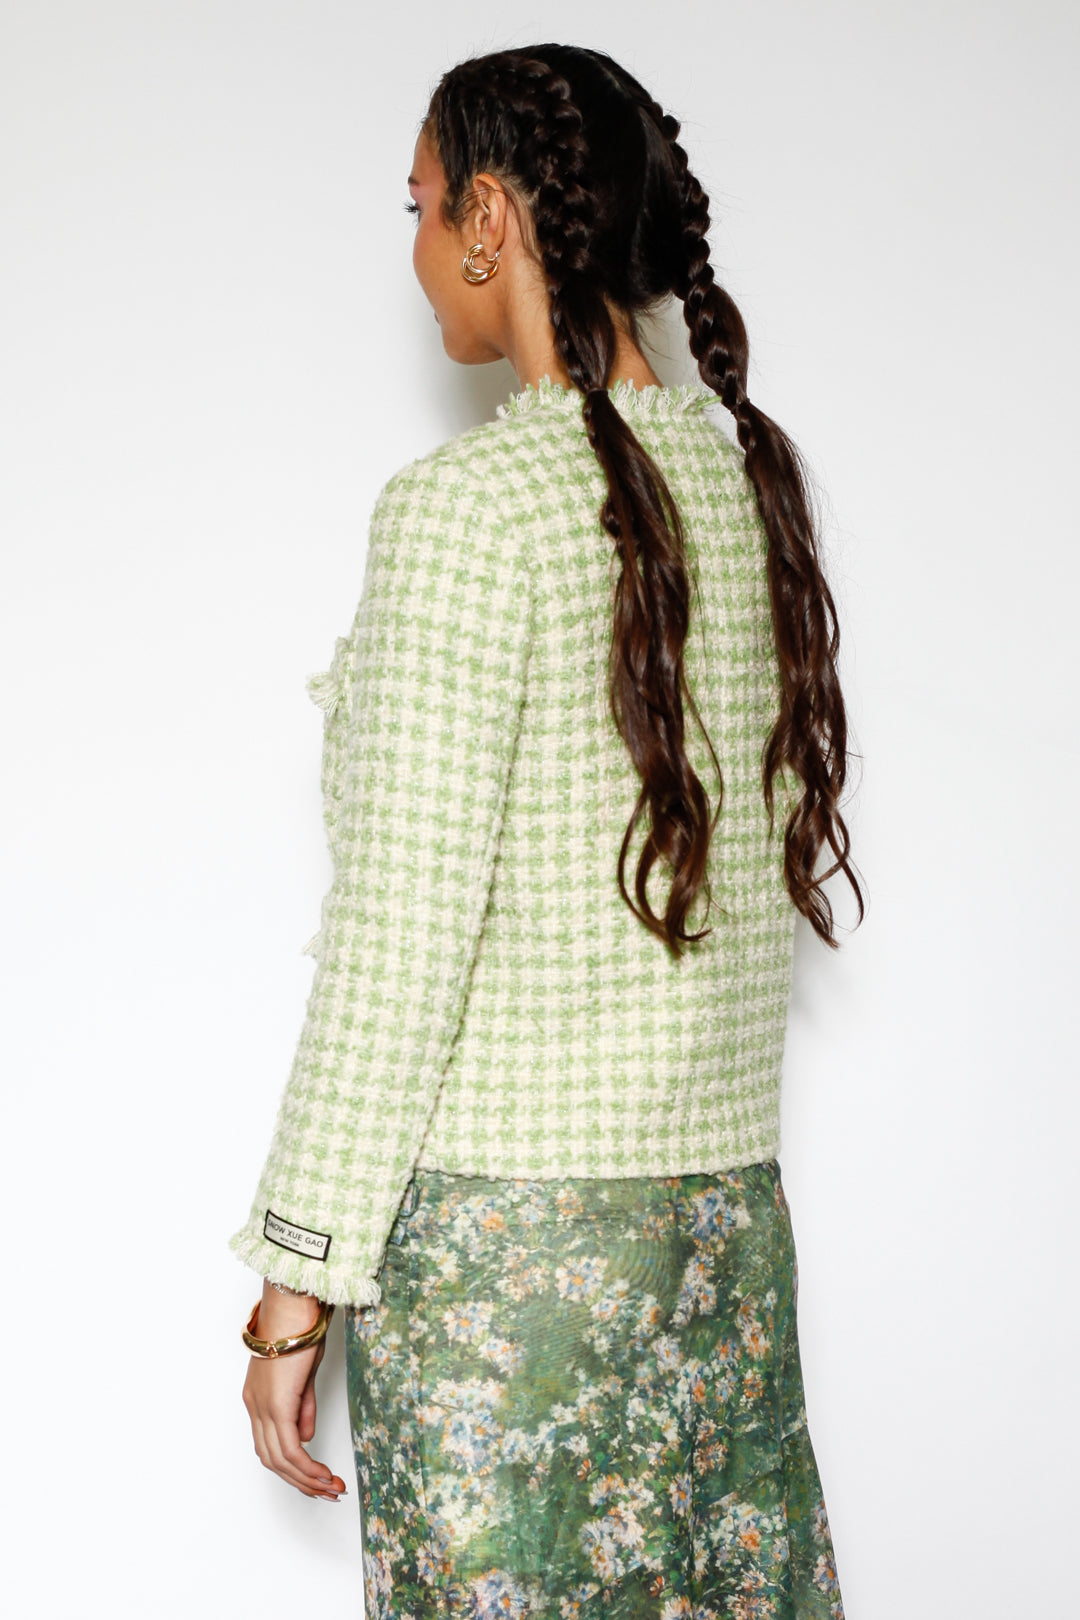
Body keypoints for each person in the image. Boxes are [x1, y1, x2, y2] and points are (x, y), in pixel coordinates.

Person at [229, 42, 863, 1620]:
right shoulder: (747, 489)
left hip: (508, 1276)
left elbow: (398, 946)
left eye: (423, 205)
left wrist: (293, 1290)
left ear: (492, 220)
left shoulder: (469, 511)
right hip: (718, 1243)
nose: (418, 245)